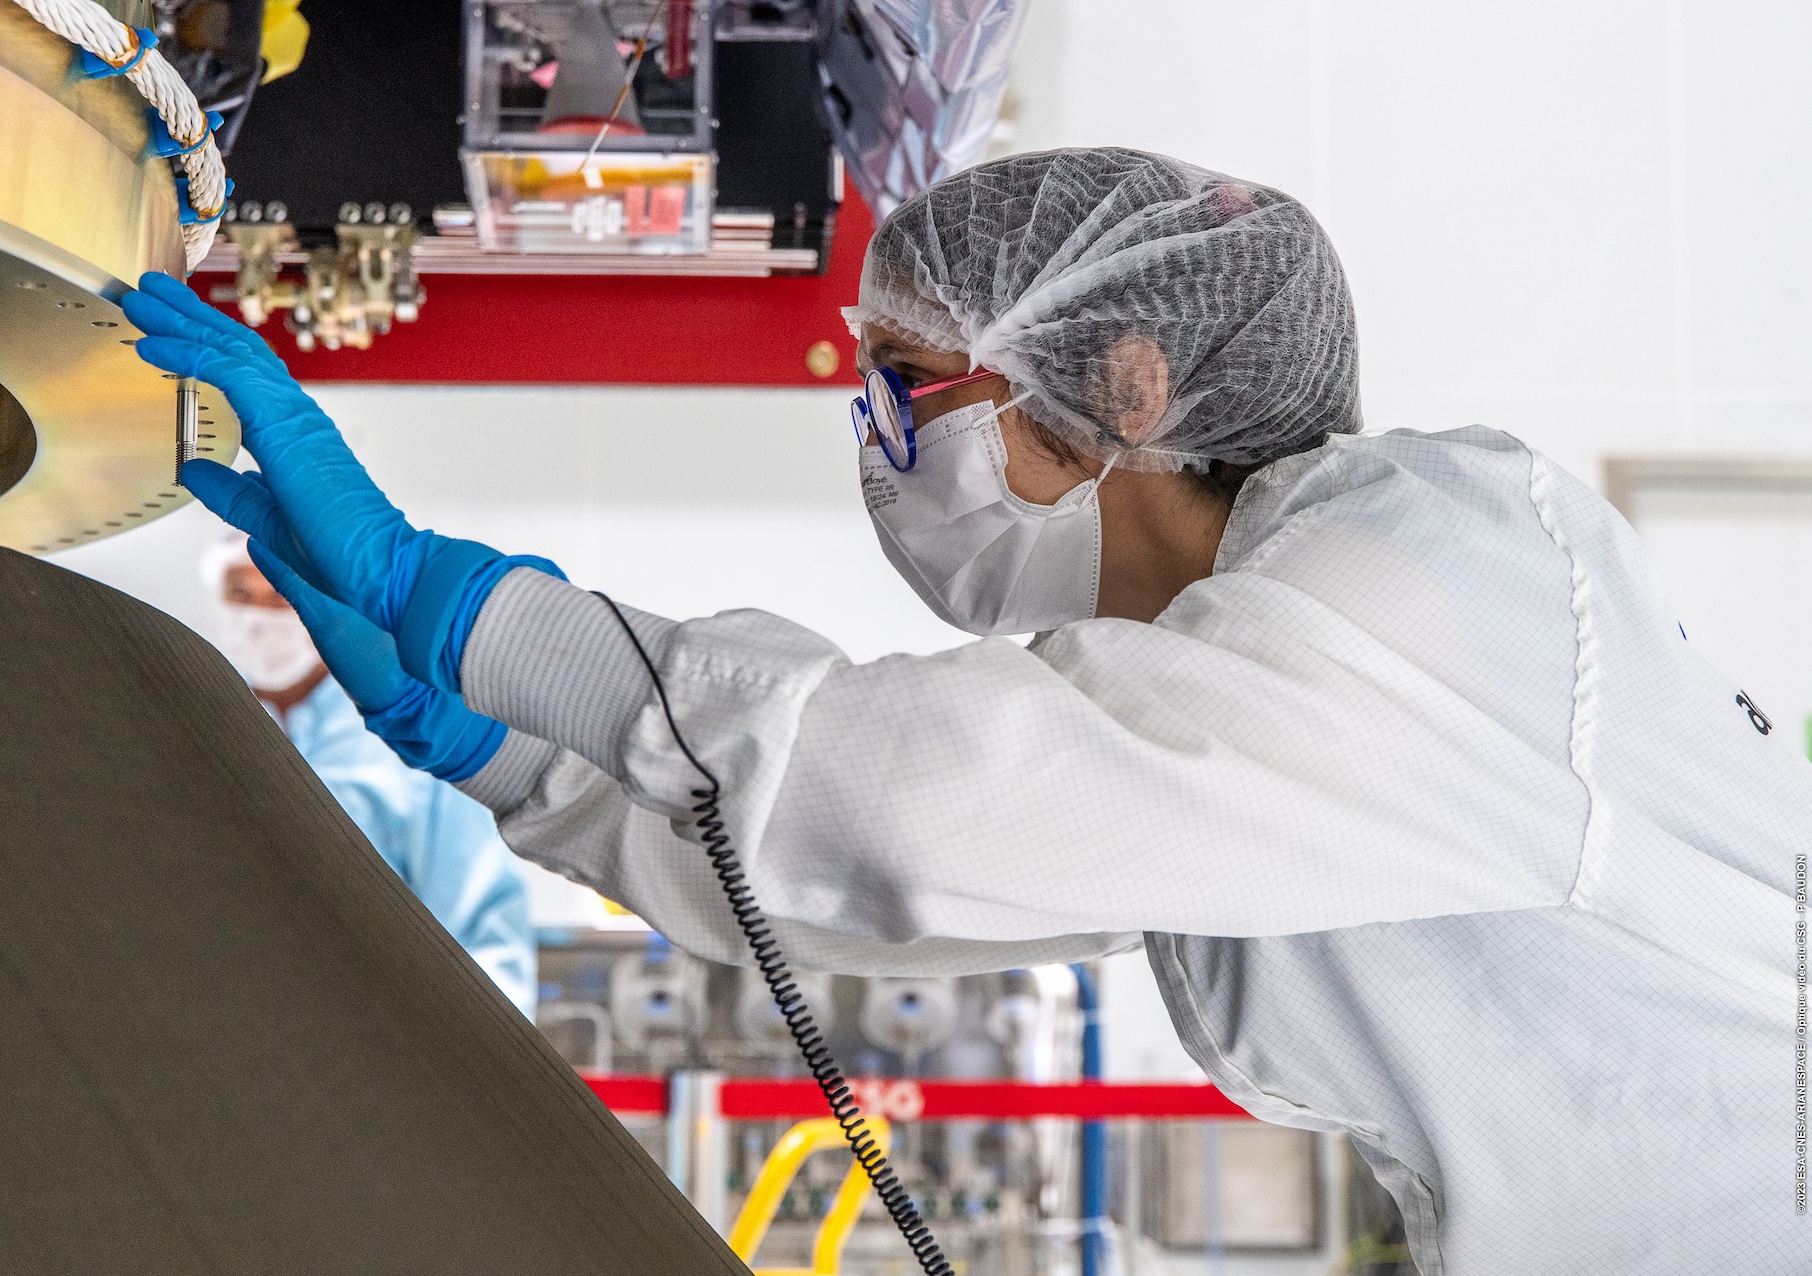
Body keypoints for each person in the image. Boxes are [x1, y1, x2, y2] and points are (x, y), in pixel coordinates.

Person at [127, 149, 1806, 1275]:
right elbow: (842, 884)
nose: (879, 446)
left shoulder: (1421, 568)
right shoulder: (1228, 704)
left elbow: (899, 805)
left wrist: (451, 596)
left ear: (1123, 388)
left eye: (906, 390)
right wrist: (500, 749)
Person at [205, 534, 539, 1018]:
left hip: (380, 1034)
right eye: (241, 592)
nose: (260, 616)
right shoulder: (201, 723)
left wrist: (487, 1053)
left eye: (279, 593)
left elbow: (481, 925)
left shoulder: (410, 731)